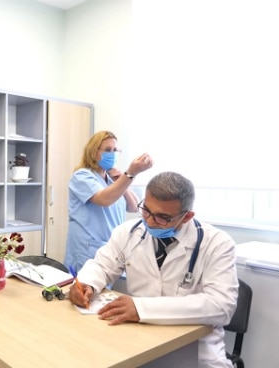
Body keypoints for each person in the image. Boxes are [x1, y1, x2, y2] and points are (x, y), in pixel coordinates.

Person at [69, 171, 238, 368]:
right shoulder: (128, 232)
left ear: (187, 216)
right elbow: (102, 265)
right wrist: (86, 283)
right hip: (137, 340)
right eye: (146, 210)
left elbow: (221, 306)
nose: (149, 221)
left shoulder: (217, 244)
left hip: (197, 350)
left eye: (162, 217)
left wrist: (141, 308)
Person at [64, 130, 153, 273]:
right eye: (107, 150)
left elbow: (133, 207)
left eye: (115, 150)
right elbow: (104, 199)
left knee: (103, 293)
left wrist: (122, 180)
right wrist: (130, 174)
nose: (112, 154)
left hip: (109, 248)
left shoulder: (114, 179)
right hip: (87, 249)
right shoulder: (81, 176)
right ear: (93, 152)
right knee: (82, 292)